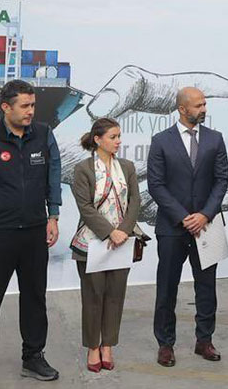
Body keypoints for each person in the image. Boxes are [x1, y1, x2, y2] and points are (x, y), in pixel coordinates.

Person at [0, 80, 61, 389]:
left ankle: (33, 356)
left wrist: (53, 215)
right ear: (6, 107)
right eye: (25, 106)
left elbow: (53, 175)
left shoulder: (44, 134)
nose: (31, 111)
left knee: (35, 298)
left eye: (33, 105)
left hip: (34, 232)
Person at [148, 86, 228, 367]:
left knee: (207, 287)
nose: (203, 109)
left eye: (204, 104)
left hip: (208, 226)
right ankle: (165, 344)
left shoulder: (215, 139)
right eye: (198, 105)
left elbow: (221, 181)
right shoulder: (161, 141)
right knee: (166, 288)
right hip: (172, 227)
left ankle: (204, 340)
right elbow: (156, 185)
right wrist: (184, 217)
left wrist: (204, 215)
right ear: (182, 109)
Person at [70, 117, 141, 373]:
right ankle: (93, 347)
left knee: (115, 295)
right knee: (93, 296)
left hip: (121, 242)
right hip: (91, 243)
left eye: (119, 136)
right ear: (97, 140)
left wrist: (122, 232)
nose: (118, 141)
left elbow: (135, 201)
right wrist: (110, 232)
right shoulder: (83, 169)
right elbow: (85, 207)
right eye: (113, 137)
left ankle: (108, 345)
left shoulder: (127, 167)